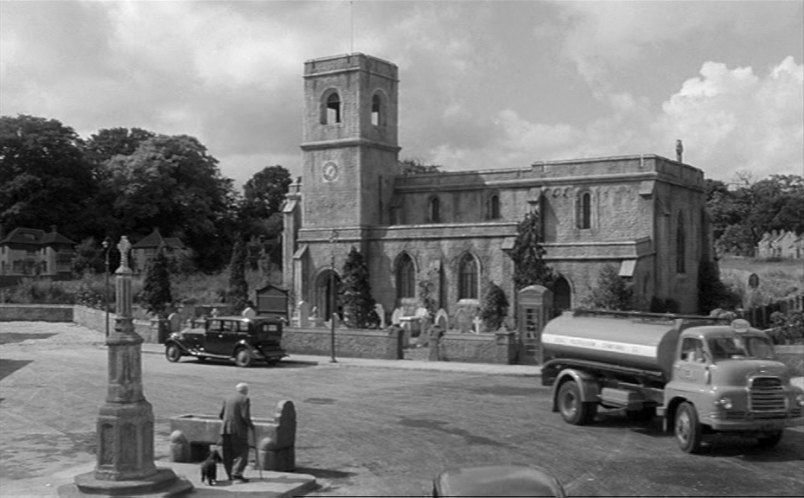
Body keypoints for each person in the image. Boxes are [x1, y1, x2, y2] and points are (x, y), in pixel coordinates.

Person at [219, 382, 255, 483]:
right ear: (245, 390)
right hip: (238, 430)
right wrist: (251, 425)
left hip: (225, 429)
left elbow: (221, 415)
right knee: (243, 451)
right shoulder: (245, 399)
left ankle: (229, 473)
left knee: (227, 452)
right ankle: (237, 473)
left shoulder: (227, 398)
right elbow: (245, 416)